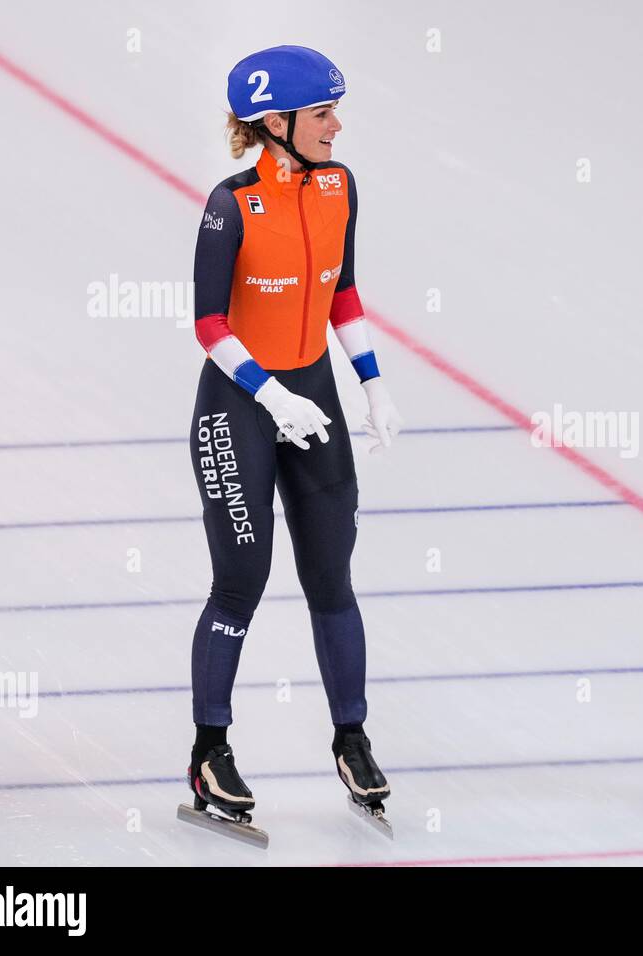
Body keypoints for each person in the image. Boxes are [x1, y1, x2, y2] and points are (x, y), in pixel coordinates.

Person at [184, 45, 403, 833]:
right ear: (275, 124)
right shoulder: (230, 203)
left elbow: (341, 292)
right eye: (323, 115)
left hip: (312, 400)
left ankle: (353, 738)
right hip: (241, 405)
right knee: (240, 578)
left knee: (331, 577)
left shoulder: (340, 185)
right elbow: (210, 324)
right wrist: (272, 395)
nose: (337, 127)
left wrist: (371, 383)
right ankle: (211, 749)